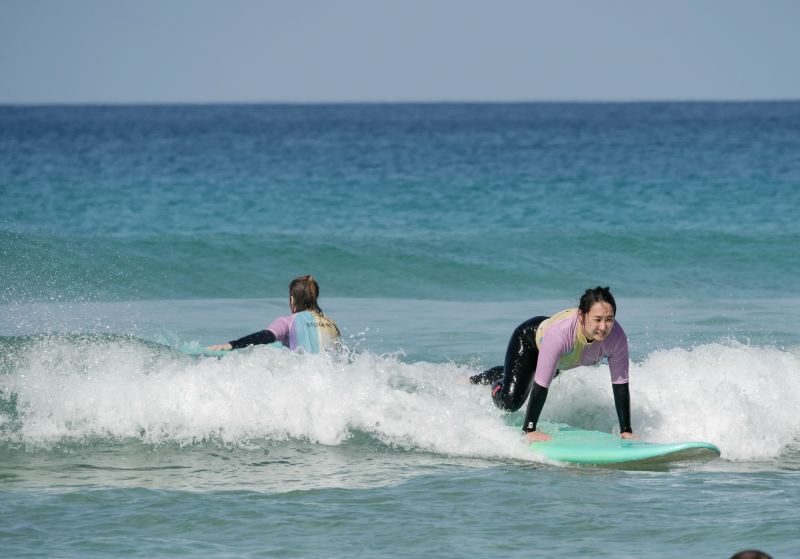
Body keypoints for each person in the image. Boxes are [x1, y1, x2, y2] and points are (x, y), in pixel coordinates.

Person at [470, 286, 632, 443]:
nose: (603, 327)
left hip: (559, 357)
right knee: (510, 403)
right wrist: (530, 430)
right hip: (529, 342)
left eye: (609, 319)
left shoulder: (616, 338)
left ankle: (507, 373)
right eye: (597, 319)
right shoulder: (562, 334)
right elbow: (541, 385)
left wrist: (626, 431)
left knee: (528, 376)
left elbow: (620, 384)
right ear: (582, 316)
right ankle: (493, 381)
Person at [208, 275, 340, 354]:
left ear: (293, 299)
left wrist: (232, 344)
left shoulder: (289, 321)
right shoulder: (332, 324)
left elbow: (266, 336)